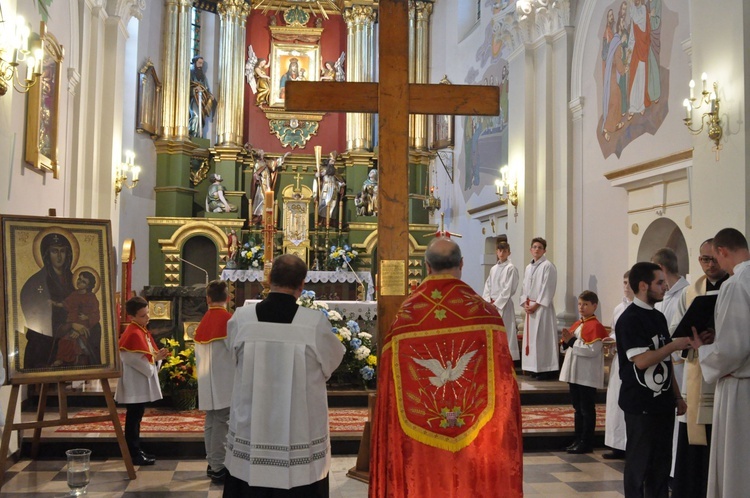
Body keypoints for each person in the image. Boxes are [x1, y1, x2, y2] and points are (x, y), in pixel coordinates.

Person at [369, 237, 523, 498]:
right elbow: (505, 387)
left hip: (420, 441)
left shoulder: (406, 318)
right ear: (461, 265)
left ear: (427, 267)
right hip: (476, 438)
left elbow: (391, 392)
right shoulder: (486, 315)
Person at [223, 254, 345, 497]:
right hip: (299, 426)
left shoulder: (242, 318)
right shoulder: (314, 323)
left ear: (269, 279)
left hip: (252, 423)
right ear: (302, 284)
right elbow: (332, 361)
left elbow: (232, 356)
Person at [616, 262, 690, 498]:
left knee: (661, 466)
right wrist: (673, 345)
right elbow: (641, 361)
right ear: (643, 285)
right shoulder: (629, 319)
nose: (665, 287)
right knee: (639, 466)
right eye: (659, 282)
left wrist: (677, 396)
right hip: (640, 404)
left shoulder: (658, 317)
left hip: (663, 402)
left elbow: (665, 362)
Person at [687, 228, 750, 498]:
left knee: (737, 463)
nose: (718, 265)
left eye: (716, 257)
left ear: (722, 251)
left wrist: (704, 350)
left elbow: (734, 348)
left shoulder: (735, 284)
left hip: (740, 387)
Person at [671, 239, 728, 498]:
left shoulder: (735, 286)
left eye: (713, 259)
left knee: (720, 431)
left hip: (725, 370)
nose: (709, 264)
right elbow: (677, 330)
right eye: (704, 259)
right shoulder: (690, 291)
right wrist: (692, 340)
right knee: (693, 431)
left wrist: (717, 335)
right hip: (696, 366)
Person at [115, 296, 170, 466]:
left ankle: (136, 450)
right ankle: (133, 453)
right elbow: (142, 365)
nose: (148, 318)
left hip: (138, 385)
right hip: (134, 385)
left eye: (147, 314)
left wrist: (155, 357)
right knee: (133, 419)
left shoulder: (140, 330)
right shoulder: (132, 334)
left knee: (136, 417)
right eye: (143, 315)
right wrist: (156, 358)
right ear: (132, 317)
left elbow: (148, 357)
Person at [651, 246, 689, 477]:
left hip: (680, 367)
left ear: (662, 269)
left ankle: (676, 470)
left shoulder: (686, 294)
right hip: (663, 367)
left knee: (679, 420)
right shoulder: (663, 295)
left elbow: (675, 331)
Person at [194, 280, 234, 484]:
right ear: (227, 298)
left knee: (211, 421)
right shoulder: (229, 321)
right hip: (224, 380)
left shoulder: (204, 321)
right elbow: (236, 352)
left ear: (207, 299)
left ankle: (212, 462)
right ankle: (219, 467)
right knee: (221, 422)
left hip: (206, 379)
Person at [559, 290, 609, 454]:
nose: (581, 307)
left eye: (585, 304)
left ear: (594, 306)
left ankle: (586, 442)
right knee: (578, 408)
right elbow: (568, 347)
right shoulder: (578, 324)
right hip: (574, 374)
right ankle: (578, 439)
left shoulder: (596, 326)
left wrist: (571, 341)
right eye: (580, 304)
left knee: (587, 409)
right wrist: (566, 342)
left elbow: (591, 350)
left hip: (586, 375)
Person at [21, 231, 76, 369]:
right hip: (46, 334)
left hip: (71, 331)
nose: (59, 256)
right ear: (46, 254)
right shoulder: (35, 282)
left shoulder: (76, 280)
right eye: (54, 251)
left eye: (62, 251)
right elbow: (34, 315)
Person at [603, 270, 633, 460]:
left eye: (629, 283)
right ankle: (617, 444)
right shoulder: (618, 308)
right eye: (623, 282)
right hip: (617, 361)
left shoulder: (639, 307)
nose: (625, 286)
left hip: (630, 360)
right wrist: (610, 339)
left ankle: (628, 444)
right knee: (615, 403)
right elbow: (614, 331)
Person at [520, 237, 558, 379]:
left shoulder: (548, 266)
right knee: (532, 340)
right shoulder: (529, 267)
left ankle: (545, 369)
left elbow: (547, 287)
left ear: (544, 250)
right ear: (531, 250)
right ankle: (533, 368)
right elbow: (524, 287)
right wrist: (525, 302)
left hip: (542, 308)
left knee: (542, 338)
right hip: (530, 307)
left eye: (540, 247)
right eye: (534, 247)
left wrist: (536, 304)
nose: (537, 249)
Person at [51, 270, 101, 366]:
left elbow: (96, 314)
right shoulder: (74, 294)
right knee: (64, 340)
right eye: (79, 279)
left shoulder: (91, 297)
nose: (79, 282)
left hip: (84, 323)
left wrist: (87, 317)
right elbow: (66, 304)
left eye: (83, 282)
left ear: (88, 285)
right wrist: (55, 304)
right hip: (71, 321)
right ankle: (61, 358)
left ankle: (77, 357)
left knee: (75, 340)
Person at [482, 239, 520, 360]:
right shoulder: (493, 269)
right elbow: (488, 286)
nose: (502, 253)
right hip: (492, 305)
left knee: (506, 332)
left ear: (509, 253)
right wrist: (488, 301)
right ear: (496, 252)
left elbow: (508, 288)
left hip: (504, 305)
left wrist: (497, 303)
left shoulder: (511, 268)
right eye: (499, 250)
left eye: (504, 251)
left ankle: (507, 358)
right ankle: (495, 356)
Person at [251, 150, 290, 224]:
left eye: (263, 152)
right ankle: (259, 215)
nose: (263, 153)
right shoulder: (257, 164)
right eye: (261, 152)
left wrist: (284, 156)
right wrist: (257, 177)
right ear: (259, 155)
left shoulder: (266, 162)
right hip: (261, 184)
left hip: (267, 184)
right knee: (262, 199)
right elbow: (255, 174)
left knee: (268, 199)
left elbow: (274, 164)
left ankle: (265, 216)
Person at [314, 152, 345, 226]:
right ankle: (322, 220)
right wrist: (318, 175)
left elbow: (338, 181)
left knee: (333, 205)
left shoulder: (335, 172)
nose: (333, 163)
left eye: (334, 161)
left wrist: (341, 185)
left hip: (334, 190)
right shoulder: (324, 169)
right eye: (331, 161)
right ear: (328, 161)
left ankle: (330, 221)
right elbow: (317, 177)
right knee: (324, 204)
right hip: (325, 189)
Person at [189, 55, 216, 138]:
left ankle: (199, 136)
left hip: (202, 99)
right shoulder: (190, 72)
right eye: (199, 63)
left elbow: (206, 88)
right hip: (193, 99)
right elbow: (186, 86)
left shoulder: (203, 76)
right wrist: (194, 89)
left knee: (201, 117)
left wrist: (210, 95)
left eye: (202, 64)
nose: (201, 65)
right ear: (195, 63)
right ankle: (192, 134)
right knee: (196, 116)